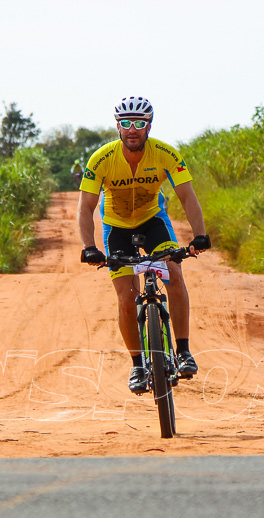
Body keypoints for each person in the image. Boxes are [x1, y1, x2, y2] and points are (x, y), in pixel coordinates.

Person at [78, 96, 210, 394]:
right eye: (126, 123)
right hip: (116, 227)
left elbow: (187, 197)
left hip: (153, 221)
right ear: (118, 126)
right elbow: (85, 207)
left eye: (139, 123)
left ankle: (184, 350)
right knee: (126, 296)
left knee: (174, 274)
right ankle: (138, 366)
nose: (132, 129)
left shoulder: (166, 154)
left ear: (149, 125)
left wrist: (199, 235)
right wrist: (89, 246)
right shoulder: (101, 158)